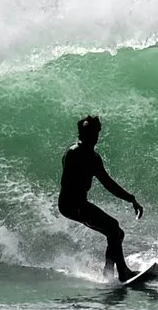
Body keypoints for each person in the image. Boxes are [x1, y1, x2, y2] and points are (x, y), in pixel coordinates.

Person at [57, 114, 143, 282]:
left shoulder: (93, 157)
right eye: (92, 134)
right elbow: (67, 183)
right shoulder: (74, 153)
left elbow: (108, 183)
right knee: (112, 226)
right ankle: (123, 272)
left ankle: (108, 273)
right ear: (82, 135)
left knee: (117, 234)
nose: (96, 138)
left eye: (97, 134)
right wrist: (79, 204)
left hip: (79, 203)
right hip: (70, 204)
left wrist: (131, 198)